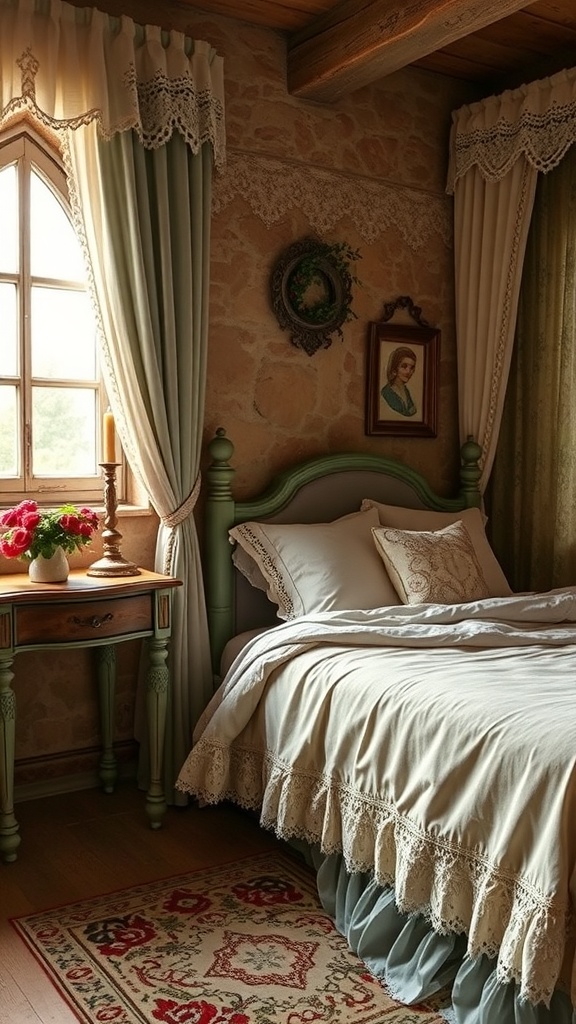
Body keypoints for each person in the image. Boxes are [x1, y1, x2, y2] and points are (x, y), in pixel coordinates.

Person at [381, 345, 417, 417]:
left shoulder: (406, 391)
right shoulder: (387, 392)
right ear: (394, 370)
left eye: (412, 368)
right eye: (404, 366)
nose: (408, 371)